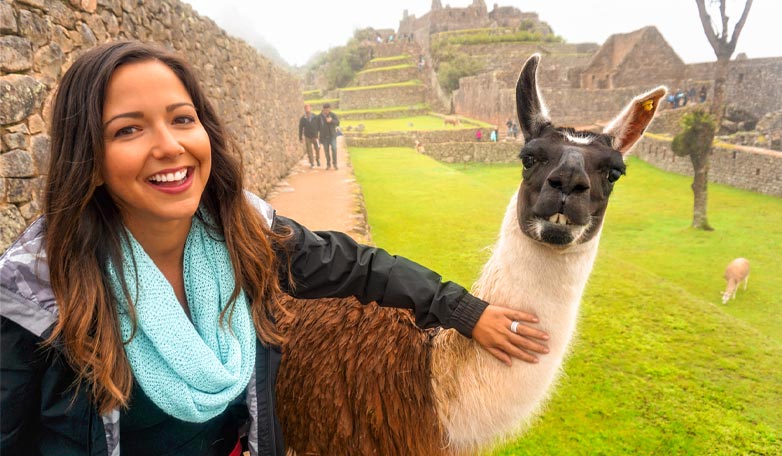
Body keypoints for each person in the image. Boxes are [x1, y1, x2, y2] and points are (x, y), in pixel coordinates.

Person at [0, 41, 549, 456]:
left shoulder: (244, 238)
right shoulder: (34, 301)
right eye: (127, 130)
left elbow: (359, 267)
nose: (169, 147)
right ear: (87, 157)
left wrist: (464, 312)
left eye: (182, 119)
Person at [317, 103, 340, 170]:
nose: (327, 111)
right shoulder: (319, 117)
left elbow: (338, 122)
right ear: (323, 109)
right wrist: (317, 136)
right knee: (326, 151)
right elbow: (317, 127)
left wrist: (331, 120)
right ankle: (328, 164)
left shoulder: (333, 115)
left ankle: (335, 164)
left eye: (328, 110)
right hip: (324, 137)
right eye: (325, 110)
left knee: (334, 149)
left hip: (332, 136)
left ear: (330, 109)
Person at [298, 103, 320, 168]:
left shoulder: (315, 117)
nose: (307, 109)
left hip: (315, 136)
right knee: (309, 150)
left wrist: (319, 134)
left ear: (310, 108)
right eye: (306, 108)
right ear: (304, 109)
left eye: (308, 108)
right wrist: (300, 137)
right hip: (307, 136)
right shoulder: (303, 119)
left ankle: (317, 159)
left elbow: (319, 126)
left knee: (317, 149)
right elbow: (300, 128)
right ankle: (312, 162)